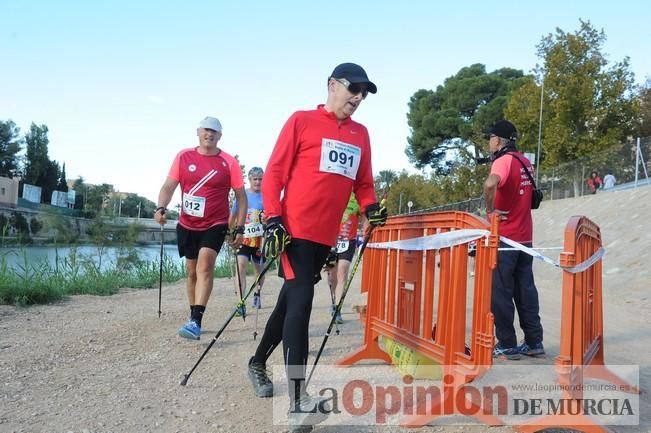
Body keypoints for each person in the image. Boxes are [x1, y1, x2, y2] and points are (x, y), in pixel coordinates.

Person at [245, 63, 387, 431]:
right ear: (331, 85)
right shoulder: (302, 120)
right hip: (292, 230)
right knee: (302, 302)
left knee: (291, 302)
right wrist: (273, 218)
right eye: (352, 88)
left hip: (327, 236)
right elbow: (275, 171)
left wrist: (372, 208)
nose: (358, 97)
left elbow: (364, 184)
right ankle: (298, 399)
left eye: (363, 93)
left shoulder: (361, 134)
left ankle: (257, 363)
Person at [154, 116, 247, 341]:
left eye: (214, 131)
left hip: (215, 223)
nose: (209, 134)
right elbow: (168, 186)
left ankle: (196, 320)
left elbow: (241, 198)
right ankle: (193, 312)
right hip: (187, 223)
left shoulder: (228, 162)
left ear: (220, 136)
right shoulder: (183, 156)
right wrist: (161, 207)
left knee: (205, 267)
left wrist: (239, 227)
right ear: (198, 132)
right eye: (206, 130)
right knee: (191, 270)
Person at [483, 119, 544, 361]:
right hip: (525, 238)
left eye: (490, 138)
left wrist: (490, 210)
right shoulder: (524, 161)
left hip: (506, 237)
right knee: (526, 290)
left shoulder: (502, 161)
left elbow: (490, 184)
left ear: (498, 139)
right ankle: (533, 342)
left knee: (500, 292)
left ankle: (507, 344)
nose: (489, 142)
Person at [229, 166, 266, 313]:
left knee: (259, 271)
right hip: (243, 239)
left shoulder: (266, 196)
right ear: (249, 180)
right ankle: (241, 303)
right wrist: (228, 231)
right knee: (241, 267)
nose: (257, 182)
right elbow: (233, 215)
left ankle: (257, 293)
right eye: (255, 179)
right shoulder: (242, 196)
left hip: (259, 241)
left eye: (260, 179)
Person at [324, 194, 364, 324]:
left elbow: (364, 217)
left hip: (348, 242)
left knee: (342, 273)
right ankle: (334, 298)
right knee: (332, 276)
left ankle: (337, 309)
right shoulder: (334, 191)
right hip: (331, 241)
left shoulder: (357, 197)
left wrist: (365, 231)